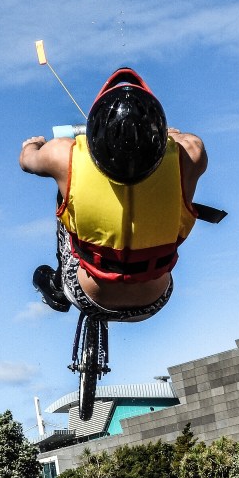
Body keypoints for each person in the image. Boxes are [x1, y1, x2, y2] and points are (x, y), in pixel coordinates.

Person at [20, 68, 208, 321]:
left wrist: (33, 144)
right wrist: (171, 135)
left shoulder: (62, 155)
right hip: (155, 300)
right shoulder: (191, 155)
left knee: (65, 190)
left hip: (88, 297)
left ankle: (58, 284)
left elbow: (26, 160)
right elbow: (189, 141)